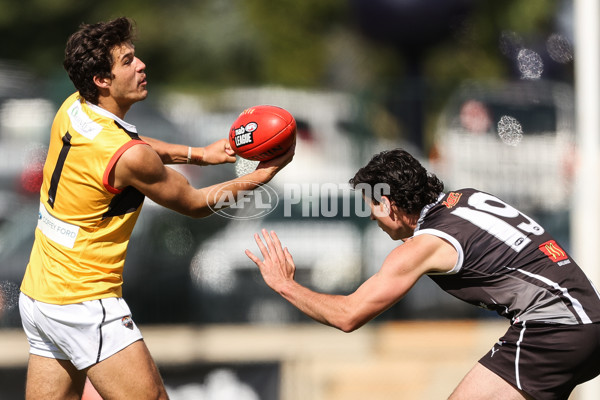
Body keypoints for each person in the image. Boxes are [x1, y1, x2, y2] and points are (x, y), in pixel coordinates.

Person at [19, 17, 293, 400]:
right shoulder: (128, 156)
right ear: (102, 80)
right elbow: (196, 204)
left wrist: (199, 154)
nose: (141, 64)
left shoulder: (74, 108)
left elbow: (129, 142)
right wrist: (263, 173)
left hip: (39, 297)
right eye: (127, 61)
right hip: (84, 302)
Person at [246, 148, 600, 400]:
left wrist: (285, 285)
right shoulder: (466, 198)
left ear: (388, 204)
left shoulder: (425, 244)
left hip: (553, 329)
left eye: (372, 208)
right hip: (586, 320)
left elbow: (348, 315)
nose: (372, 218)